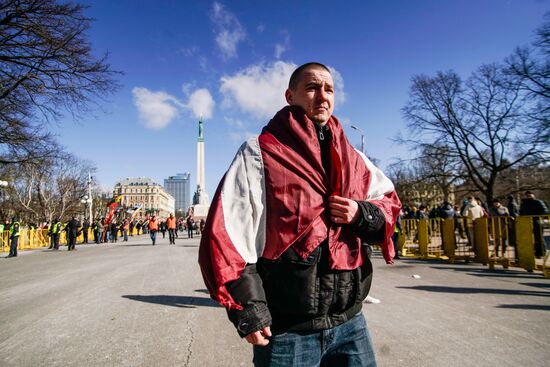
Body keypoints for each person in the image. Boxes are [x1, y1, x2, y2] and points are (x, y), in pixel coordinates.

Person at [199, 62, 400, 366]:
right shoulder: (260, 153)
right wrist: (249, 311)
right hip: (288, 334)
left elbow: (389, 204)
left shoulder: (355, 159)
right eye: (312, 88)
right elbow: (229, 237)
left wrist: (361, 213)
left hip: (350, 324)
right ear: (290, 96)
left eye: (329, 89)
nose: (322, 96)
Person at [519, 191, 549, 258]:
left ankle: (541, 253)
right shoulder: (524, 203)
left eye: (530, 194)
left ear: (533, 195)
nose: (529, 195)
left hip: (537, 222)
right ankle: (534, 252)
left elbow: (544, 211)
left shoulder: (538, 202)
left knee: (539, 237)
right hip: (527, 223)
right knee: (530, 238)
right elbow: (521, 212)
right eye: (527, 195)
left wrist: (537, 217)